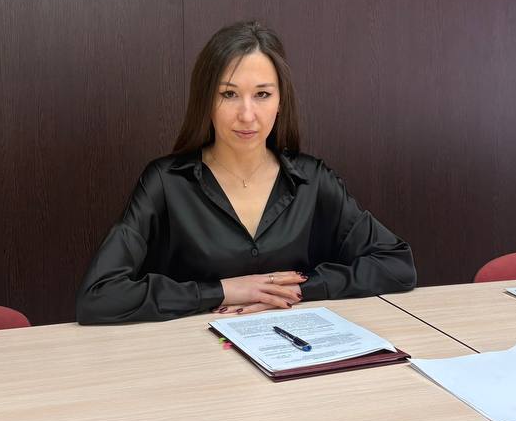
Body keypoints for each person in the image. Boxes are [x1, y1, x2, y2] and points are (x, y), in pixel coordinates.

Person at [76, 20, 416, 324]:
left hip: (295, 352)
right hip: (195, 358)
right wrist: (223, 290)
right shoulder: (165, 182)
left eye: (263, 94)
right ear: (206, 101)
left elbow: (396, 264)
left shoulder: (312, 180)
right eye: (229, 94)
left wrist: (298, 289)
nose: (247, 114)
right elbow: (100, 295)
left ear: (281, 102)